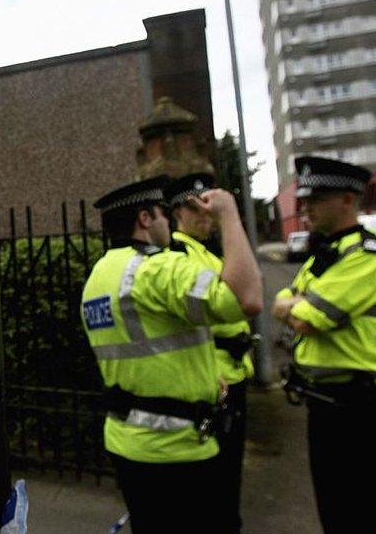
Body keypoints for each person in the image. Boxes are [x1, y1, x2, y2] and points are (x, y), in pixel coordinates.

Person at [81, 176, 262, 533]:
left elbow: (150, 351)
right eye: (164, 214)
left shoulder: (99, 277)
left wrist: (206, 375)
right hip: (177, 449)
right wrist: (229, 216)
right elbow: (248, 299)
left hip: (127, 441)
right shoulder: (157, 268)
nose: (169, 224)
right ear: (146, 218)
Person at [273, 156, 376, 534]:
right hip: (327, 404)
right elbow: (282, 300)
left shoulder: (367, 257)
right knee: (336, 515)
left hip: (362, 407)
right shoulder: (327, 255)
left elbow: (303, 317)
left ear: (349, 199)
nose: (306, 208)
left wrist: (295, 304)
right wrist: (295, 304)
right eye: (304, 199)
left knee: (367, 517)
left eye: (317, 199)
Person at [164, 172, 256, 533]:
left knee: (227, 487)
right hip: (212, 381)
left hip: (234, 375)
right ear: (177, 212)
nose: (206, 216)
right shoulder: (177, 254)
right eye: (195, 208)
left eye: (208, 208)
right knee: (214, 492)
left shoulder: (207, 252)